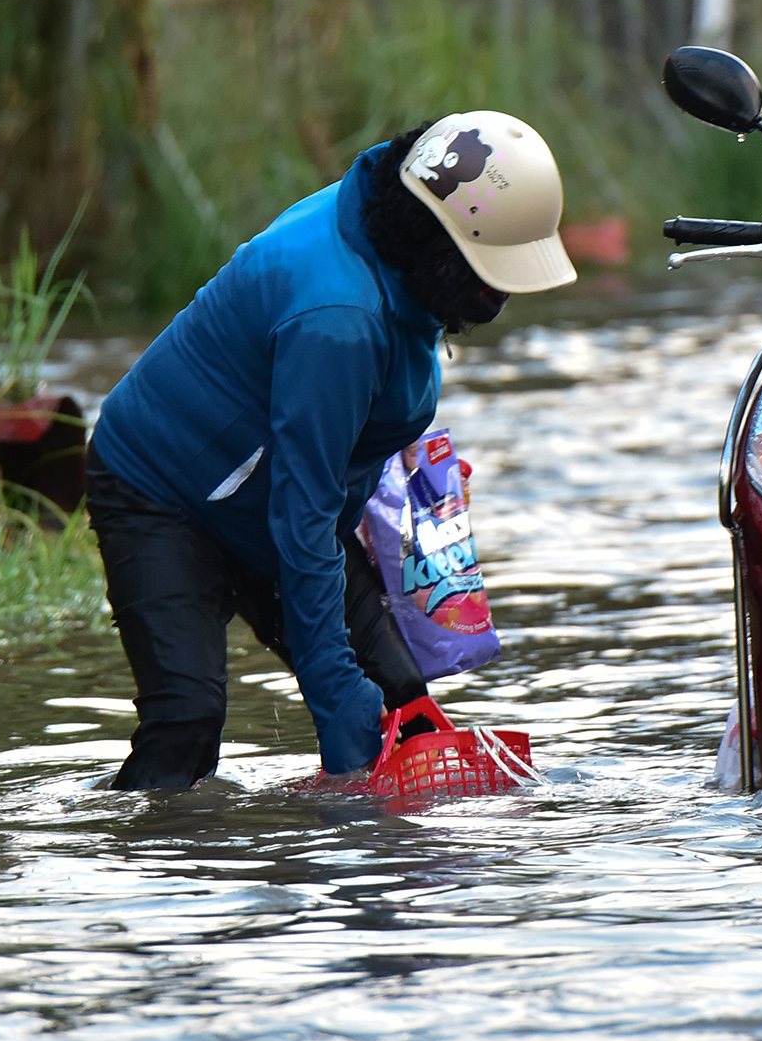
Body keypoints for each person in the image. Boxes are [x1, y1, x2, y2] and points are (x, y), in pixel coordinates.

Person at [87, 114, 577, 789]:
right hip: (161, 492)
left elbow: (351, 402)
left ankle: (376, 869)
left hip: (272, 493)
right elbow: (303, 515)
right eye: (490, 272)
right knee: (186, 723)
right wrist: (333, 689)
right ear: (435, 242)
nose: (502, 294)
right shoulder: (336, 316)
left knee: (406, 701)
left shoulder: (393, 229)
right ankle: (138, 860)